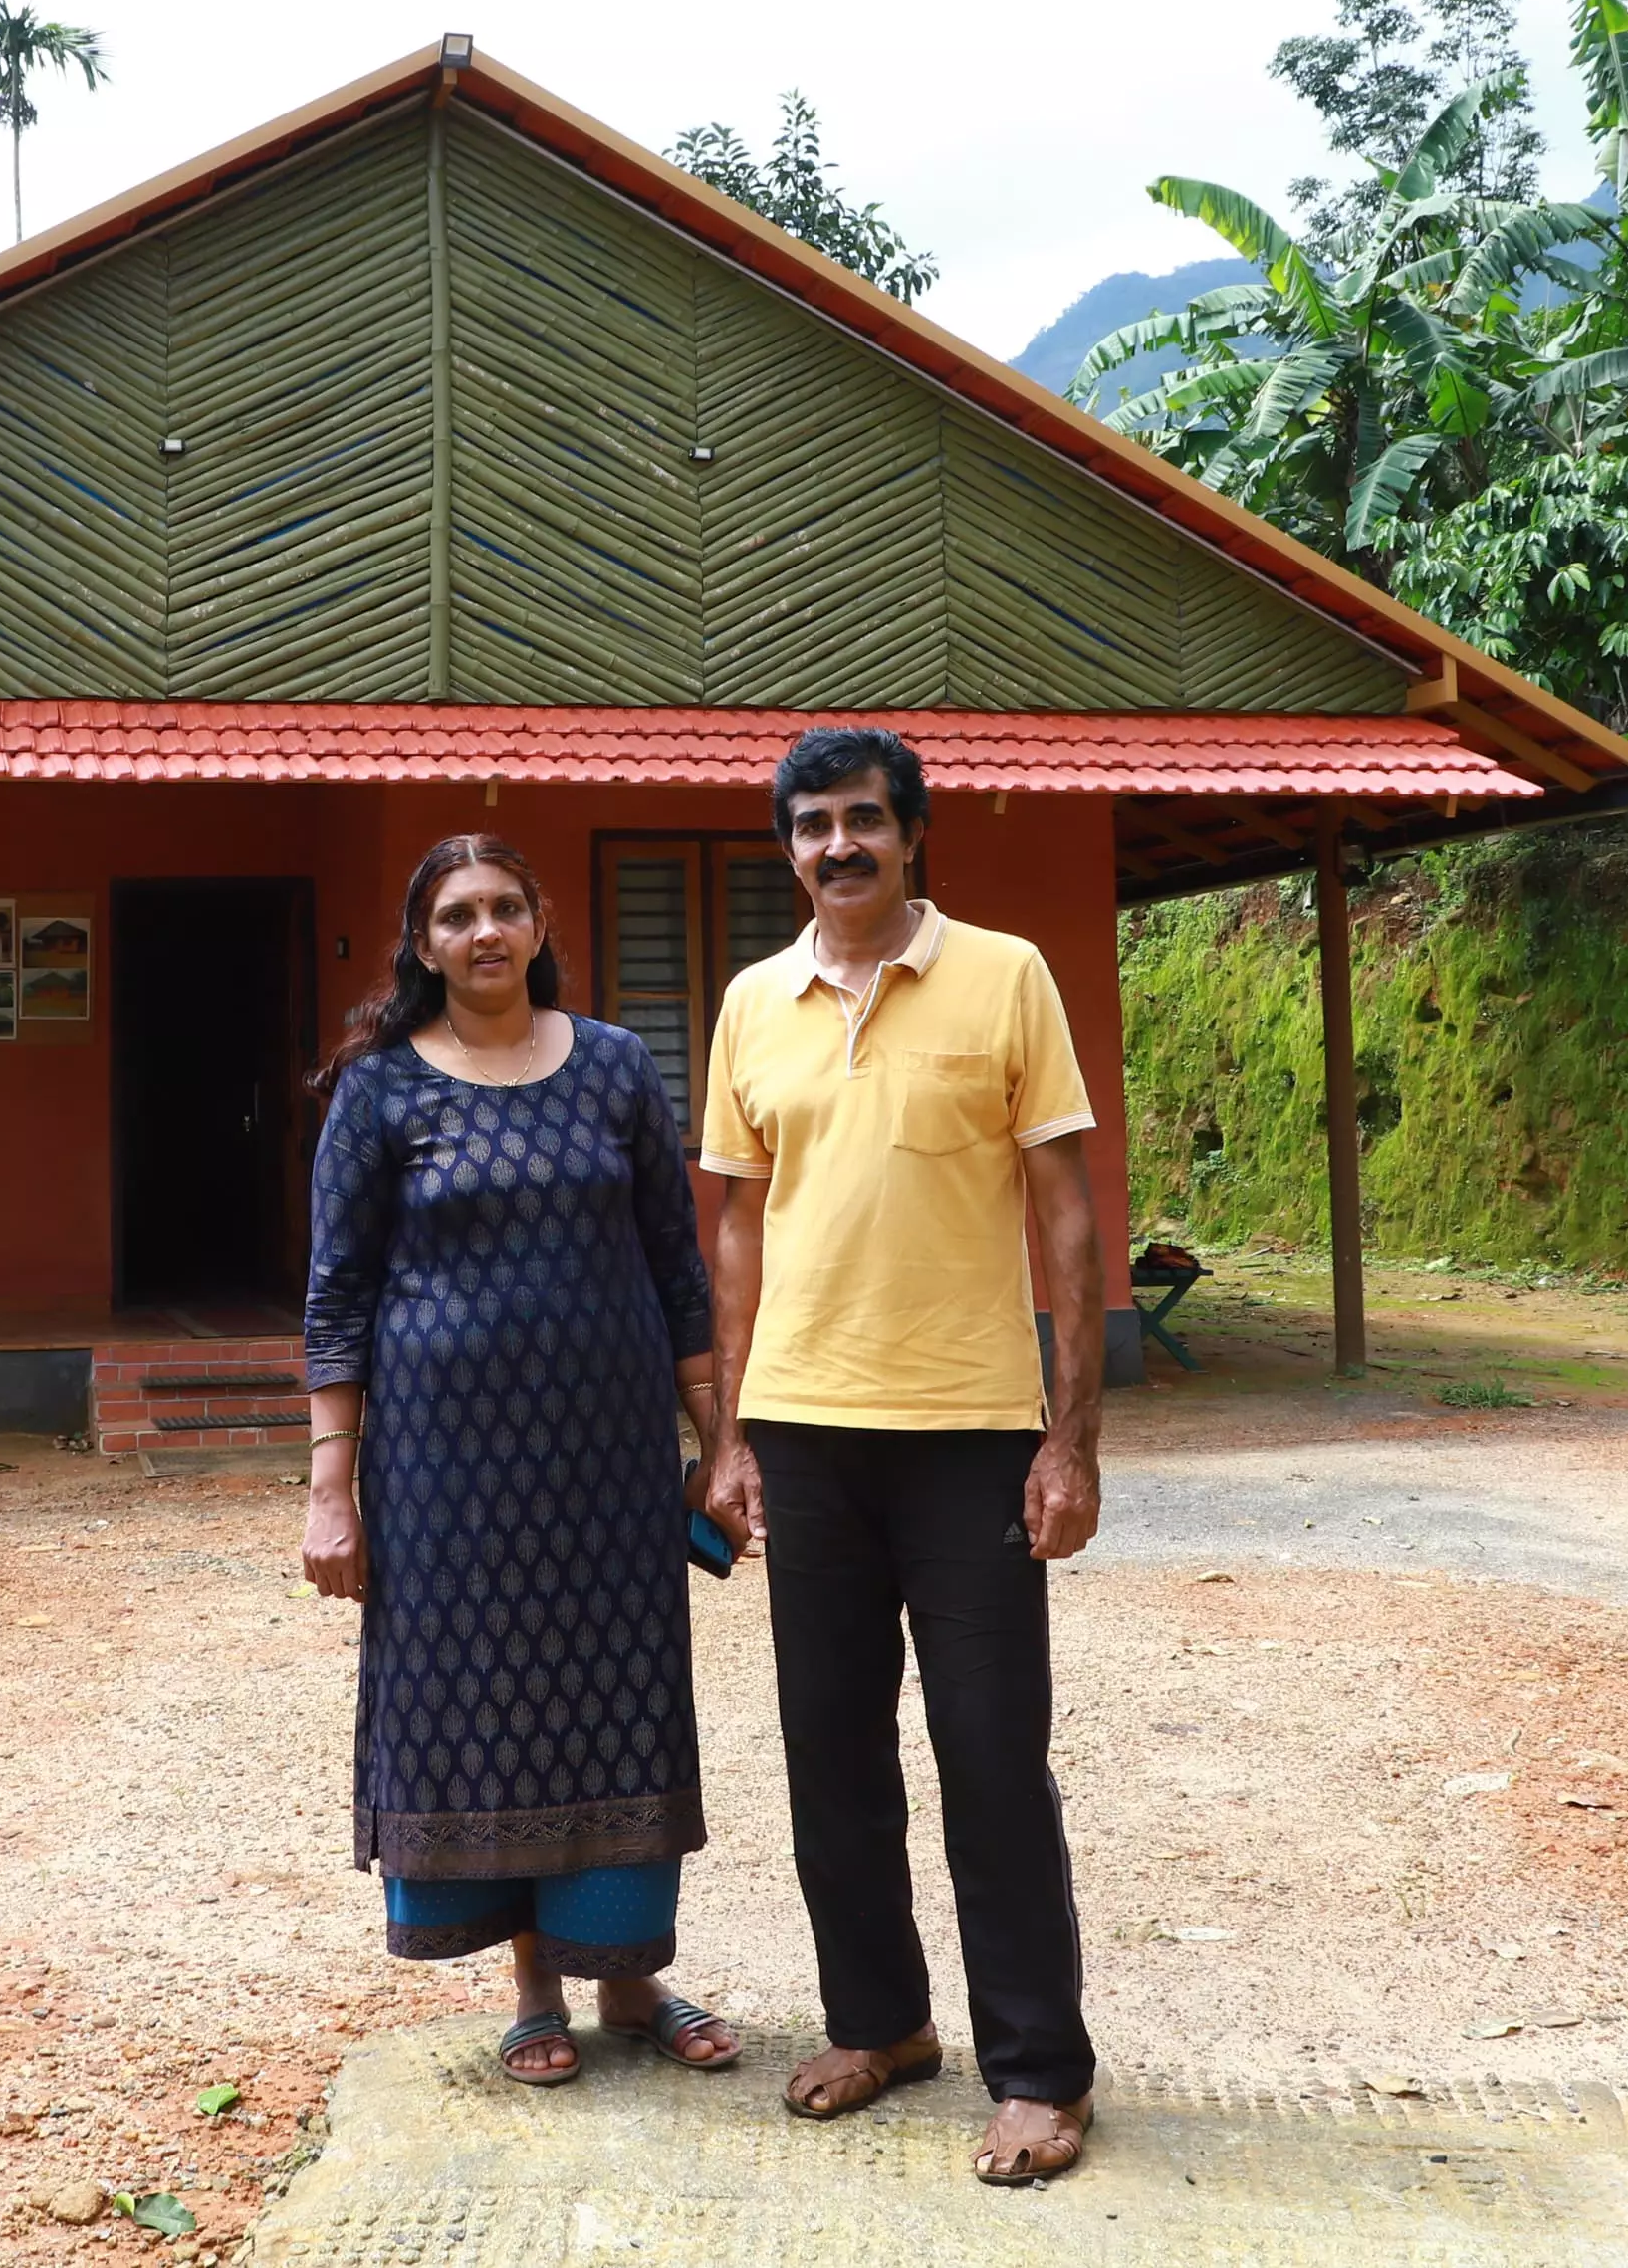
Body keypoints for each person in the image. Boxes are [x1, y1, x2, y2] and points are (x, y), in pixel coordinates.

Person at [694, 727, 1109, 2184]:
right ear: (788, 849)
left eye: (864, 820)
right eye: (812, 827)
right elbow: (736, 1224)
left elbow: (1066, 1210)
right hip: (807, 1435)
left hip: (973, 1435)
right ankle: (881, 2024)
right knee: (833, 1756)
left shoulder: (1005, 976)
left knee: (993, 1755)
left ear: (913, 833)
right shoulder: (755, 1002)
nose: (838, 847)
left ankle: (1041, 2070)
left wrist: (1071, 1437)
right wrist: (729, 1434)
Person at [300, 834, 742, 2087]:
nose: (483, 931)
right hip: (443, 1475)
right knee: (478, 1703)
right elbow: (335, 1298)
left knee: (619, 1699)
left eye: (504, 908)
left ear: (539, 924)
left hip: (606, 1463)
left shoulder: (610, 1067)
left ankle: (633, 1980)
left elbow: (675, 1262)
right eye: (456, 915)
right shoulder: (381, 1090)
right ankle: (532, 1986)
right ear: (423, 942)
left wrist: (719, 1443)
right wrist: (331, 1488)